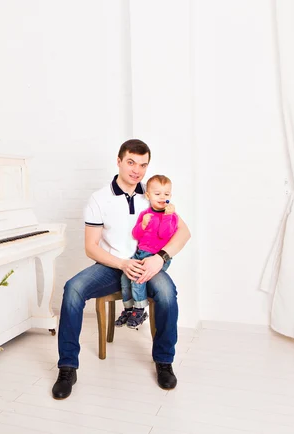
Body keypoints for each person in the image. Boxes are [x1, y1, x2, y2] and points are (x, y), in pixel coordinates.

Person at [51, 139, 191, 400]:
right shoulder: (99, 199)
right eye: (131, 162)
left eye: (143, 164)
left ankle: (164, 361)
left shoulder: (152, 194)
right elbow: (91, 248)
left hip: (147, 265)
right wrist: (122, 264)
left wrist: (159, 258)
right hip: (112, 267)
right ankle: (67, 367)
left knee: (167, 293)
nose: (136, 170)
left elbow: (184, 233)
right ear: (118, 161)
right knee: (73, 289)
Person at [115, 175, 179, 329]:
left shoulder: (171, 217)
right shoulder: (145, 214)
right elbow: (136, 235)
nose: (162, 197)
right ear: (148, 196)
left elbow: (165, 234)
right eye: (158, 194)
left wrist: (167, 216)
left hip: (156, 258)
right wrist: (142, 225)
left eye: (166, 194)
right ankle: (128, 309)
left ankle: (139, 309)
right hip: (141, 254)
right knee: (125, 276)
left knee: (138, 277)